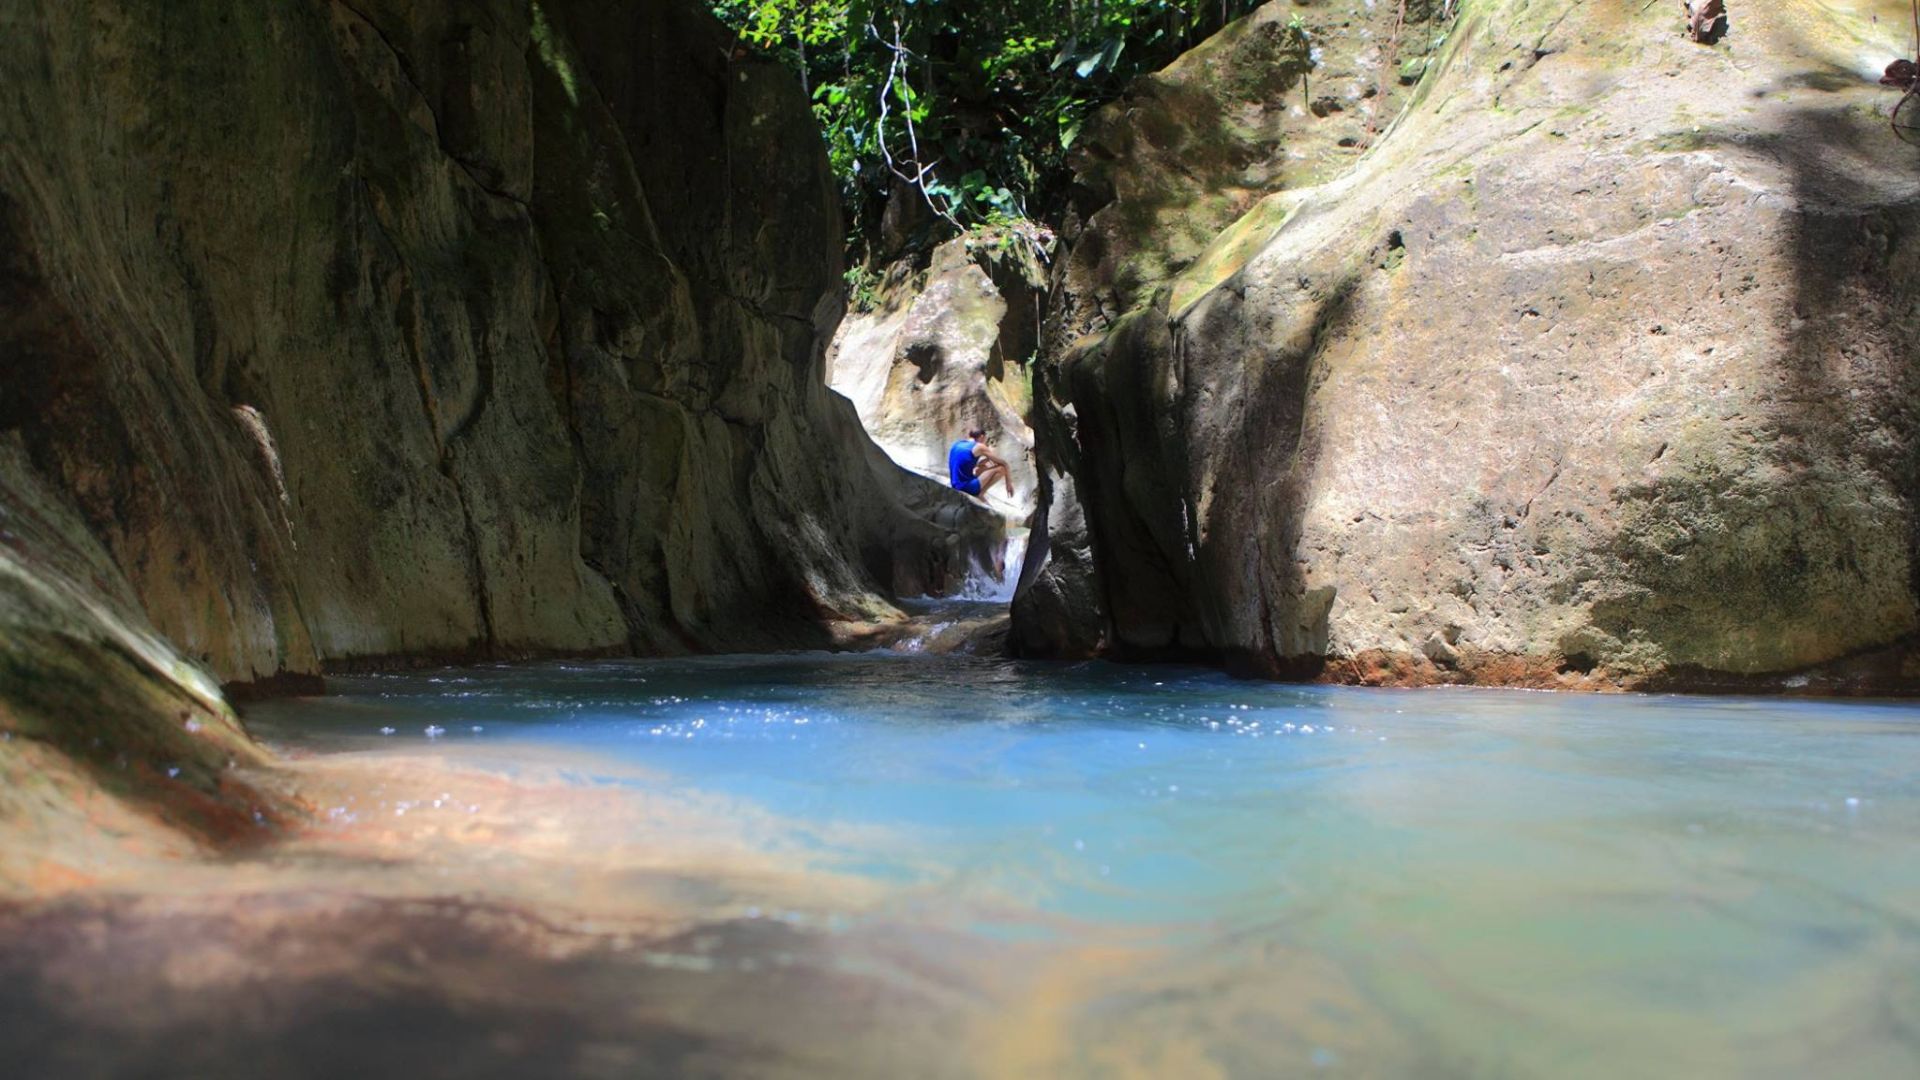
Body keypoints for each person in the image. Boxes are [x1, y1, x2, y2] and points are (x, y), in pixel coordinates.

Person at [948, 427, 1012, 498]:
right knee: (1001, 468)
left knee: (982, 467)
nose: (985, 442)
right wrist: (1008, 483)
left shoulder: (957, 444)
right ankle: (981, 494)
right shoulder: (980, 446)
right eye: (985, 439)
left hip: (955, 484)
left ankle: (978, 491)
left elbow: (965, 464)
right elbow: (1004, 463)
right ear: (982, 437)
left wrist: (983, 461)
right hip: (967, 487)